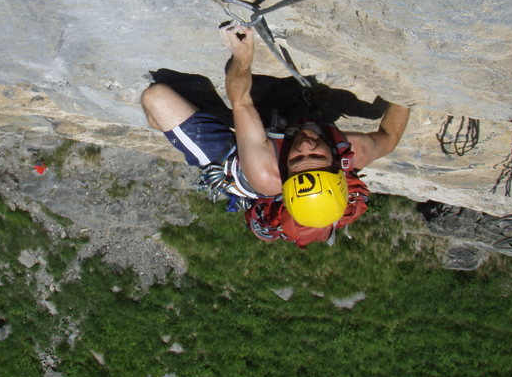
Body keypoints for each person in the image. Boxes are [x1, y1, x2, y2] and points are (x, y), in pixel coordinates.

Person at [141, 23, 411, 246]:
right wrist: (407, 91)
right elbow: (389, 136)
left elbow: (241, 100)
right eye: (316, 153)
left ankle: (174, 120)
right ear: (335, 163)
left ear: (286, 170)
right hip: (271, 142)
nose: (305, 144)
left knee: (157, 99)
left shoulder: (265, 173)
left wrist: (242, 57)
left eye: (297, 158)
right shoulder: (352, 151)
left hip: (241, 161)